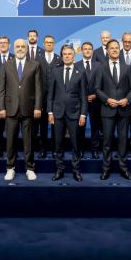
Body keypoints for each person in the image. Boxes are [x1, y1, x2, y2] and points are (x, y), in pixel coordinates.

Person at [0, 38, 43, 181]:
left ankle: (30, 168)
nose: (20, 49)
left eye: (23, 46)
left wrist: (37, 106)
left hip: (28, 109)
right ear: (13, 48)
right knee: (10, 141)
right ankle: (10, 168)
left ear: (27, 48)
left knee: (28, 141)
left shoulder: (35, 65)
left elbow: (38, 88)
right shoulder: (6, 65)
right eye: (17, 46)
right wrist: (1, 107)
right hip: (10, 109)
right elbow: (1, 89)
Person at [95, 39, 131, 180]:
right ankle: (106, 169)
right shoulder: (101, 67)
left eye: (116, 48)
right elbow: (97, 89)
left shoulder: (127, 67)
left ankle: (123, 168)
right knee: (107, 142)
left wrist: (127, 99)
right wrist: (107, 99)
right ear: (107, 51)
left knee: (123, 141)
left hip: (124, 110)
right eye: (111, 48)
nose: (114, 50)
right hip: (107, 110)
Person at [48, 45, 87, 182]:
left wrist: (83, 114)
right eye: (64, 54)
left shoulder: (80, 72)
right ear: (62, 56)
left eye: (69, 54)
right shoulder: (55, 71)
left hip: (75, 114)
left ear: (74, 56)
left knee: (75, 144)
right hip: (57, 114)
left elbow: (83, 96)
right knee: (58, 144)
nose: (67, 56)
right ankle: (59, 170)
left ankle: (76, 170)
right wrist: (50, 112)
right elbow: (50, 94)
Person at [76, 41, 103, 158]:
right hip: (80, 102)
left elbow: (103, 82)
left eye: (89, 49)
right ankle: (80, 149)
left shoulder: (99, 65)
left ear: (92, 51)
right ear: (81, 51)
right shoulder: (76, 65)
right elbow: (74, 85)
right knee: (80, 127)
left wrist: (96, 95)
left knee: (95, 126)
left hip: (95, 101)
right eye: (85, 49)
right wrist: (83, 96)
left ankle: (95, 149)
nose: (87, 51)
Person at [36, 34, 61, 158]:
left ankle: (55, 149)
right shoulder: (37, 59)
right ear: (44, 44)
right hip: (42, 99)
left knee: (56, 126)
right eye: (47, 42)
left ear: (54, 44)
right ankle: (43, 149)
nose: (49, 44)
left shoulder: (59, 59)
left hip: (56, 99)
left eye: (51, 42)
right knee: (43, 126)